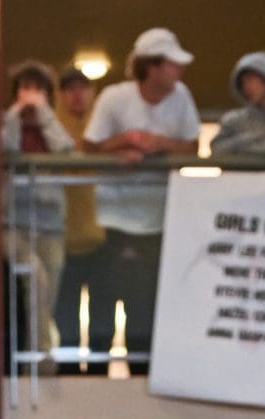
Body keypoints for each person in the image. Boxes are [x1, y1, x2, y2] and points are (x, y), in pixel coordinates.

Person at [84, 28, 199, 372]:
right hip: (111, 219)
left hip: (159, 219)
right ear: (152, 67)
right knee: (104, 299)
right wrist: (125, 142)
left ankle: (145, 373)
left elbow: (192, 147)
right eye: (172, 63)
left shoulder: (182, 97)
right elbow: (90, 148)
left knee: (147, 302)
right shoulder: (114, 98)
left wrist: (159, 144)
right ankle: (94, 374)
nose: (179, 71)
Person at [2, 65, 74, 362]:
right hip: (11, 224)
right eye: (25, 87)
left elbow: (65, 151)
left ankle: (35, 351)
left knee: (49, 293)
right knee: (35, 278)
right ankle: (40, 355)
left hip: (51, 223)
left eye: (38, 88)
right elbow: (5, 149)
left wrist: (44, 115)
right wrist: (16, 114)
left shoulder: (53, 125)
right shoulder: (5, 122)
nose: (32, 95)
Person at [52, 64, 105, 367]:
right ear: (60, 95)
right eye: (70, 89)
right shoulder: (51, 130)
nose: (77, 95)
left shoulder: (104, 129)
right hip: (62, 237)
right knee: (65, 316)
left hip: (102, 237)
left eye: (83, 88)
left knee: (103, 315)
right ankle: (68, 374)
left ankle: (100, 375)